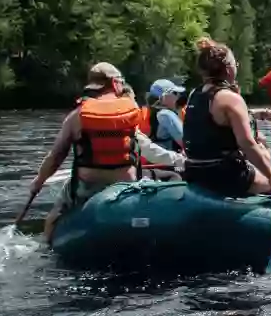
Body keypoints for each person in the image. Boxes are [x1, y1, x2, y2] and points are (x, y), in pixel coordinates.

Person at [27, 62, 186, 245]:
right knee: (170, 177)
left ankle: (46, 248)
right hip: (126, 183)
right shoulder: (127, 113)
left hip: (87, 187)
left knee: (54, 215)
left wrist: (38, 183)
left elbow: (55, 157)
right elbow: (149, 150)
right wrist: (179, 159)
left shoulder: (77, 116)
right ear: (115, 84)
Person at [181, 38, 271, 198]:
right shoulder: (230, 98)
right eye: (235, 63)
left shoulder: (194, 94)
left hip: (195, 172)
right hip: (226, 177)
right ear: (229, 69)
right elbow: (247, 144)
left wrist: (262, 113)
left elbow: (215, 120)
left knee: (261, 156)